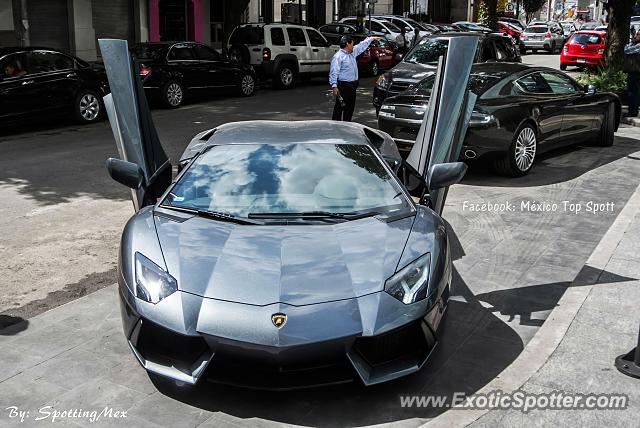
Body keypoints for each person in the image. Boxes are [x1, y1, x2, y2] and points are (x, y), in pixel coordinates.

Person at [329, 35, 379, 121]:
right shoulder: (338, 56)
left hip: (353, 85)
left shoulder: (352, 52)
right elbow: (334, 72)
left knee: (350, 107)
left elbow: (361, 46)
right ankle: (335, 126)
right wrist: (334, 86)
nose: (353, 46)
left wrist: (371, 39)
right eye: (352, 44)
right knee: (340, 107)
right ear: (347, 44)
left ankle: (347, 124)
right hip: (344, 85)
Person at [624, 32, 640, 118]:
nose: (636, 36)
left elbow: (627, 50)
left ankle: (633, 112)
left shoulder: (638, 46)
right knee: (633, 92)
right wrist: (633, 42)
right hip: (632, 71)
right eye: (636, 34)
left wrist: (632, 43)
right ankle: (632, 110)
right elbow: (626, 48)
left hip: (636, 72)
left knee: (633, 93)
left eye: (638, 35)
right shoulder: (635, 44)